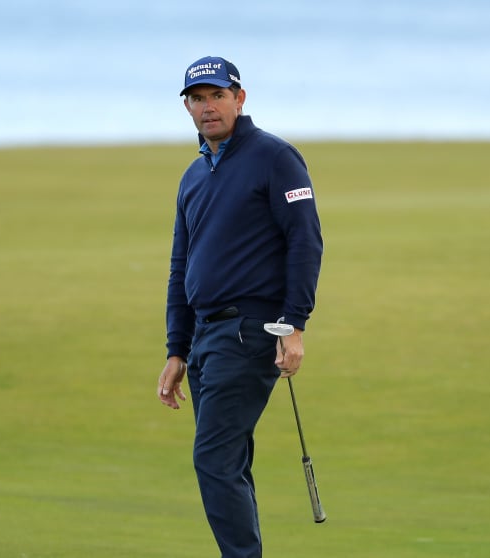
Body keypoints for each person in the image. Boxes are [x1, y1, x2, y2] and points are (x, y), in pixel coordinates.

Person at [156, 55, 324, 558]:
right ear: (187, 107)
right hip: (206, 337)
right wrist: (175, 349)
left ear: (240, 98)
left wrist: (294, 324)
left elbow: (305, 240)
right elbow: (180, 266)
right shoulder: (193, 176)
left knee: (213, 458)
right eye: (198, 99)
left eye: (217, 96)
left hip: (251, 332)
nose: (208, 108)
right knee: (229, 460)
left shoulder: (275, 158)